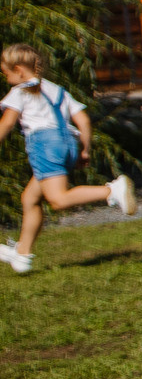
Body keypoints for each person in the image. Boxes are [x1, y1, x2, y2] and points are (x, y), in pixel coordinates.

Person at [0, 43, 133, 273]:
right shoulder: (57, 90)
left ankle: (111, 191)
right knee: (30, 198)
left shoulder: (20, 92)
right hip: (68, 143)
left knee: (58, 200)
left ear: (19, 69)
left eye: (5, 72)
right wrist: (85, 150)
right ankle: (22, 254)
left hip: (45, 145)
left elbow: (7, 123)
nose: (5, 77)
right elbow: (83, 120)